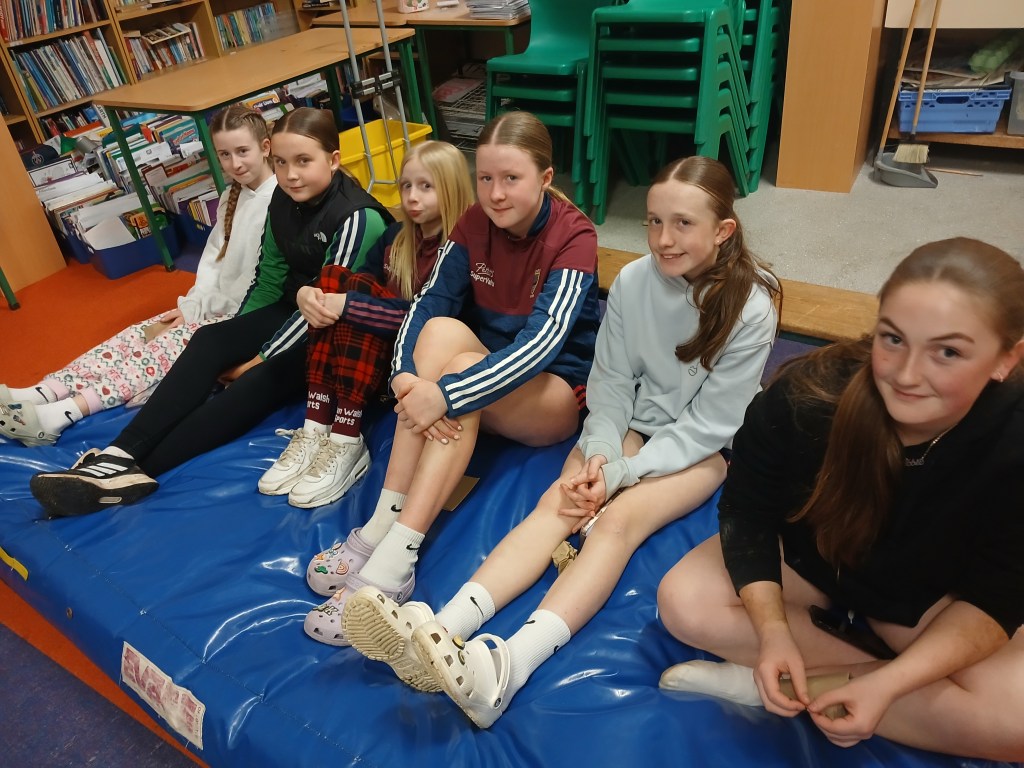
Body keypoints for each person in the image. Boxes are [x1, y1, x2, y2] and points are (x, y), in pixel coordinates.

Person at [336, 155, 780, 727]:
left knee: (616, 526)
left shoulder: (753, 306)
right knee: (561, 501)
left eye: (683, 224)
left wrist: (621, 474)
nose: (663, 239)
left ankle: (510, 667)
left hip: (701, 451)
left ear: (723, 230)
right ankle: (442, 630)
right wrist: (601, 452)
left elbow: (709, 425)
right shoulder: (634, 281)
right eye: (652, 221)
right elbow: (611, 382)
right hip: (627, 426)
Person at [656, 238, 1024, 762]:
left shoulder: (1013, 441)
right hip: (816, 559)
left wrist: (889, 685)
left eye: (948, 352)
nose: (907, 375)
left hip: (929, 598)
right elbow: (747, 513)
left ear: (1006, 359)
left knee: (1015, 718)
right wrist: (773, 633)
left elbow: (996, 598)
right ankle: (805, 674)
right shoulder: (807, 398)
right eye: (893, 339)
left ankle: (803, 685)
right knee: (685, 601)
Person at [301, 111, 602, 648]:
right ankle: (380, 526)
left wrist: (446, 394)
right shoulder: (473, 222)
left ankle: (396, 562)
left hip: (552, 391)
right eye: (485, 178)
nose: (495, 193)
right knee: (440, 331)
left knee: (459, 369)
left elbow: (541, 344)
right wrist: (404, 378)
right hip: (484, 374)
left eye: (511, 178)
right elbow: (428, 302)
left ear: (545, 178)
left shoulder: (574, 236)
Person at [29, 108, 393, 518]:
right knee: (209, 340)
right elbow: (269, 279)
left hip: (333, 332)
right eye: (281, 162)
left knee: (252, 382)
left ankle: (138, 474)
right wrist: (236, 338)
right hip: (290, 309)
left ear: (334, 159)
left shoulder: (359, 218)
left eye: (304, 161)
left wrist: (258, 359)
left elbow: (325, 309)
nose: (290, 175)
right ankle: (118, 453)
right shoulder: (282, 197)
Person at [0, 104, 276, 447]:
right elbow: (212, 263)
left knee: (165, 348)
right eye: (224, 154)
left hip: (240, 315)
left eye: (243, 151)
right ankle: (44, 391)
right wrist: (192, 306)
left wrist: (202, 312)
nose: (235, 163)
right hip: (212, 306)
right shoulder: (230, 196)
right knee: (139, 334)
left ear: (265, 147)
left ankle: (61, 413)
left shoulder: (277, 202)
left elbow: (255, 283)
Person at [257, 140, 474, 508]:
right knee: (335, 278)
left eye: (426, 186)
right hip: (365, 353)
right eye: (406, 185)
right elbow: (353, 285)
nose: (412, 197)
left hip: (418, 359)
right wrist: (309, 294)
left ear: (451, 188)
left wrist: (350, 305)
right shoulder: (395, 237)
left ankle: (346, 436)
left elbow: (428, 321)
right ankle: (316, 426)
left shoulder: (460, 249)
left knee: (353, 296)